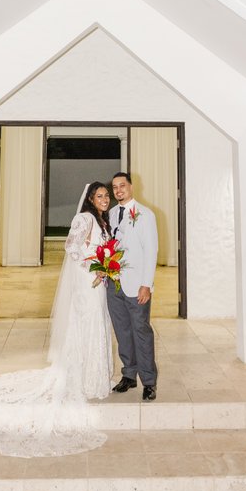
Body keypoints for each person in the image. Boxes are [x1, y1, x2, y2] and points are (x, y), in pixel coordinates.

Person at [0, 181, 114, 457]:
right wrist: (95, 267)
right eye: (100, 196)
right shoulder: (84, 218)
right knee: (87, 324)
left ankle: (94, 376)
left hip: (98, 281)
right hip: (87, 282)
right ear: (90, 199)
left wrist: (105, 267)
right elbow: (71, 248)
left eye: (106, 195)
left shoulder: (102, 221)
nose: (104, 199)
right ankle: (82, 376)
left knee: (98, 324)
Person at [107, 171, 159, 400]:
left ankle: (149, 381)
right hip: (114, 283)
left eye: (122, 185)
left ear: (131, 187)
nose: (118, 190)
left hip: (136, 284)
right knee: (122, 331)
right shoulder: (110, 214)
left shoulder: (145, 215)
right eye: (115, 187)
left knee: (141, 331)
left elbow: (151, 251)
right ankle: (129, 375)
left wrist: (146, 284)